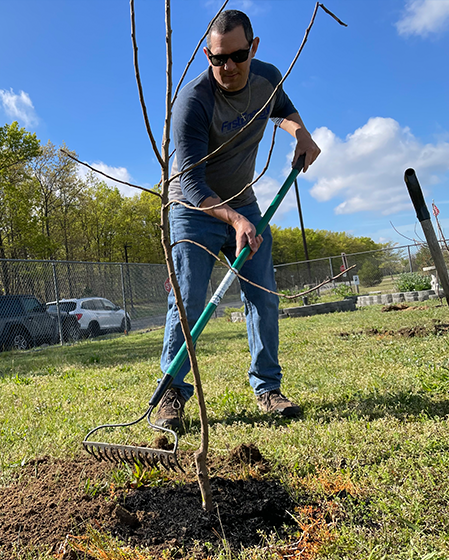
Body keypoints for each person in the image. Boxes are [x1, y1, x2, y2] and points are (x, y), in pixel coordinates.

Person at [155, 9, 320, 431]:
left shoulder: (266, 77)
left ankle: (268, 389)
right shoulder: (193, 103)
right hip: (193, 209)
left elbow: (282, 110)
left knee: (263, 294)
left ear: (254, 47)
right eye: (217, 58)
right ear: (207, 55)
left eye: (237, 55)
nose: (227, 66)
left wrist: (299, 132)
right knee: (189, 299)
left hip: (243, 201)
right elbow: (191, 183)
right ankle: (171, 393)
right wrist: (232, 221)